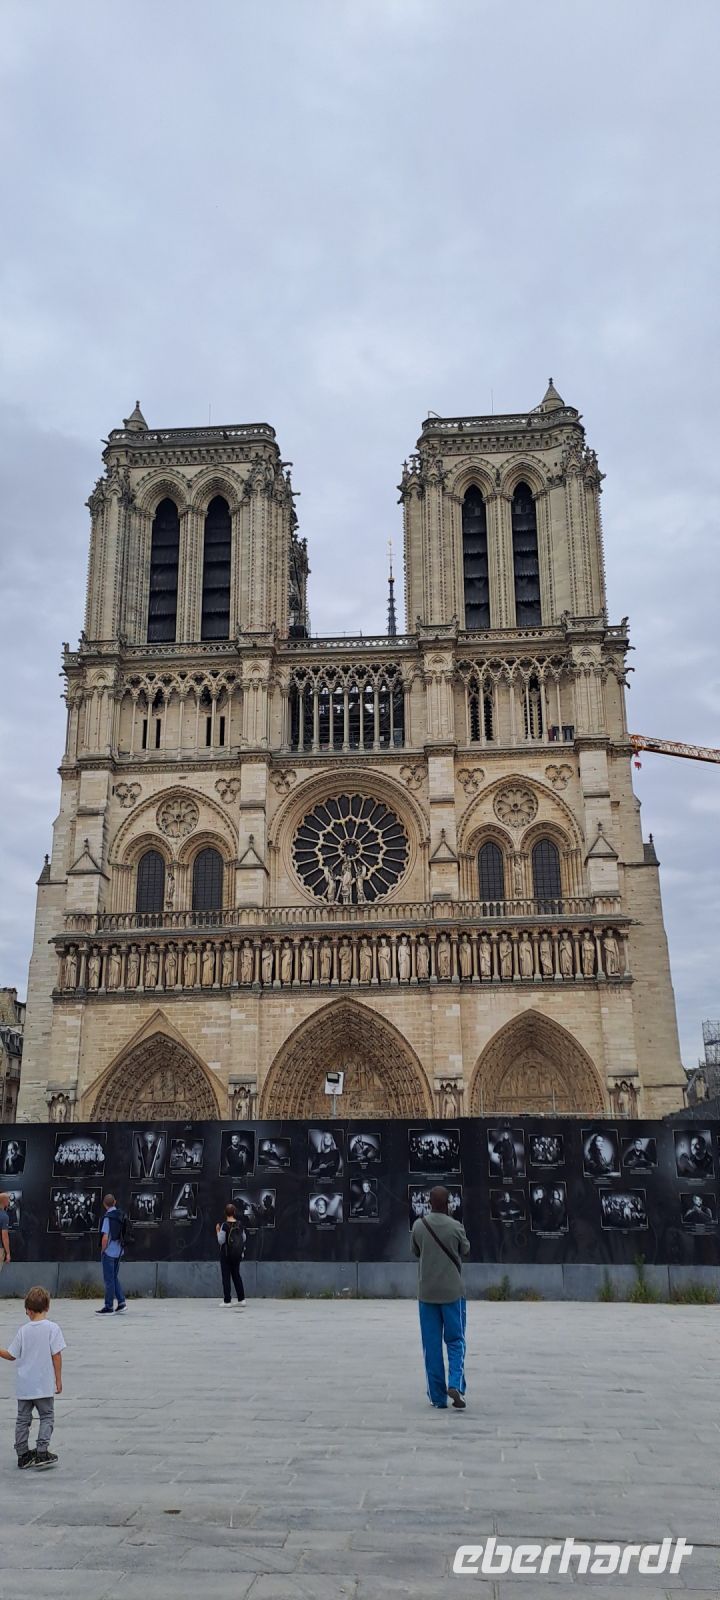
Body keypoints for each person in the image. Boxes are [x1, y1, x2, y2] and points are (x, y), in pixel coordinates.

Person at [411, 1185, 470, 1411]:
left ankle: (437, 1397)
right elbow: (466, 1250)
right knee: (456, 1340)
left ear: (429, 1203)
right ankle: (455, 1383)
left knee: (432, 1345)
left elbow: (415, 1251)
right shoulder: (456, 1227)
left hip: (427, 1294)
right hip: (453, 1293)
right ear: (449, 1204)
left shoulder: (418, 1226)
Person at [0, 1285, 65, 1470]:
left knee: (22, 1419)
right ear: (47, 1307)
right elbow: (57, 1355)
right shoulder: (53, 1328)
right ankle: (42, 1451)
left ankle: (22, 1454)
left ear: (27, 1310)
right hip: (43, 1385)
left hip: (24, 1386)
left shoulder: (23, 1331)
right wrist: (58, 1379)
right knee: (46, 1416)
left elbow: (11, 1355)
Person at [97, 1194, 126, 1315]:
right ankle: (121, 1302)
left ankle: (109, 1306)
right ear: (115, 1202)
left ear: (104, 1204)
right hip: (119, 1251)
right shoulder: (121, 1215)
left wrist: (103, 1250)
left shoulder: (108, 1217)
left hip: (109, 1252)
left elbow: (105, 1237)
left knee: (109, 1279)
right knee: (114, 1277)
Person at [215, 1202, 246, 1307]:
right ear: (234, 1212)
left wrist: (218, 1231)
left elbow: (221, 1241)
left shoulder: (224, 1225)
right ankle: (241, 1300)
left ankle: (227, 1301)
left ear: (225, 1213)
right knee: (236, 1275)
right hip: (237, 1255)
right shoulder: (240, 1224)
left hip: (226, 1255)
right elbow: (244, 1238)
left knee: (226, 1277)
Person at [0, 1192, 12, 1273]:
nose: (9, 1201)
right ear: (4, 1201)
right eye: (8, 1199)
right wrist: (8, 1253)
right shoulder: (4, 1216)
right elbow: (5, 1237)